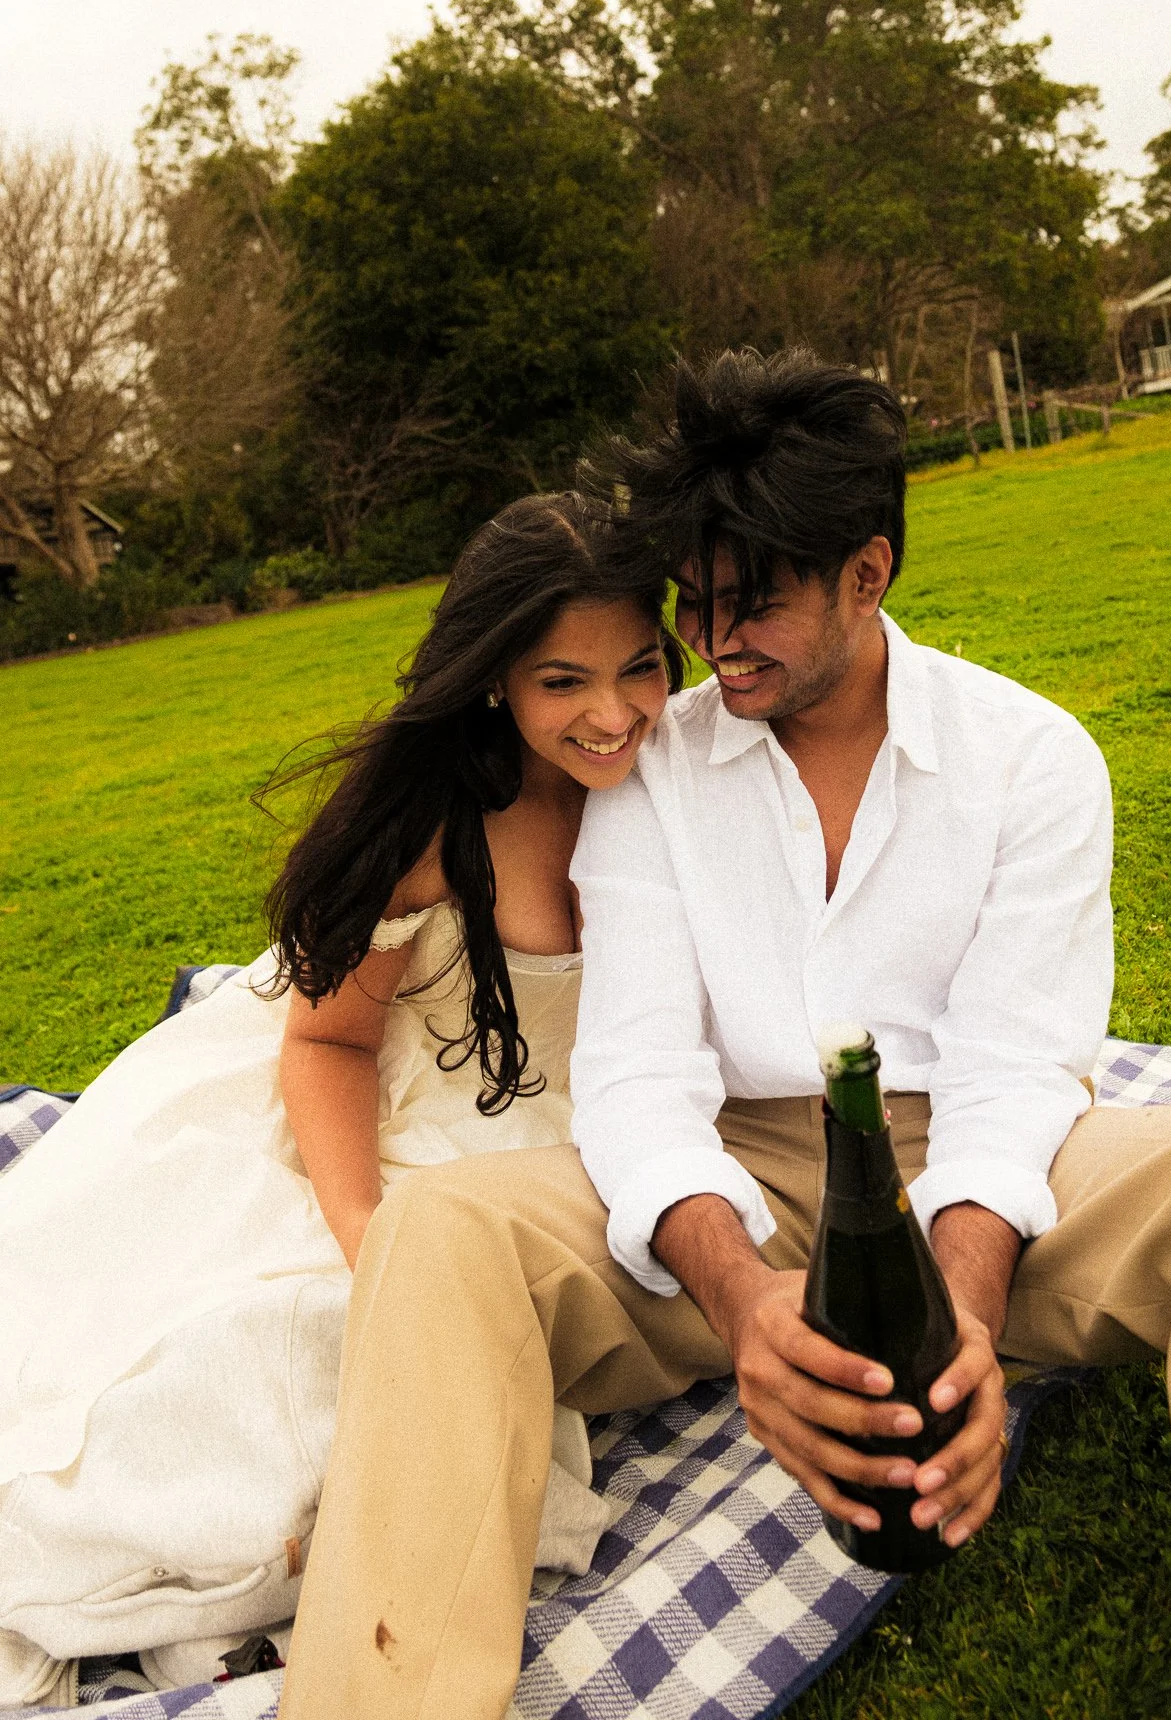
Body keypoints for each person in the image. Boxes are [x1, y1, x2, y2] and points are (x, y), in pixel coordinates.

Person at [281, 351, 1171, 1720]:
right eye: (698, 601)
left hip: (974, 1163)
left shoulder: (1034, 758)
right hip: (741, 1173)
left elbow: (1017, 1073)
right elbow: (641, 1074)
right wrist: (744, 1297)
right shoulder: (655, 769)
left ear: (867, 572)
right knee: (441, 1230)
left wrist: (955, 1310)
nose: (717, 642)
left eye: (755, 602)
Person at [0, 491, 680, 1710]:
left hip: (558, 1126)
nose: (612, 711)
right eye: (562, 679)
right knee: (252, 1345)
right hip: (382, 1102)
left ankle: (229, 1587)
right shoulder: (437, 821)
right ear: (493, 684)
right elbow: (325, 1042)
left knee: (429, 1391)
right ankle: (168, 1581)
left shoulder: (690, 778)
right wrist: (367, 1233)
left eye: (641, 665)